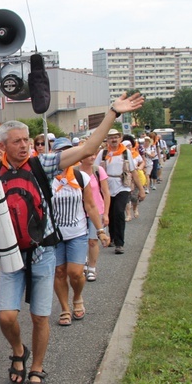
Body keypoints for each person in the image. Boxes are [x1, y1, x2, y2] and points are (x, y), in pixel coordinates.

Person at [0, 92, 144, 384]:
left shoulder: (42, 164)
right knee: (7, 316)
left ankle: (37, 366)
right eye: (17, 141)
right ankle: (18, 350)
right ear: (3, 146)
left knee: (39, 315)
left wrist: (112, 112)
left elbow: (87, 147)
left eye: (26, 140)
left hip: (44, 252)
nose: (24, 145)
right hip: (11, 254)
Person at [48, 138, 110, 326]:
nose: (66, 156)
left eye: (69, 151)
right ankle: (65, 308)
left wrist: (100, 230)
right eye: (61, 152)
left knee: (75, 272)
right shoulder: (47, 178)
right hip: (54, 234)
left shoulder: (81, 177)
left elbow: (90, 206)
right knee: (59, 272)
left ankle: (77, 297)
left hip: (77, 231)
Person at [94, 128, 145, 254]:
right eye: (111, 137)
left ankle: (120, 243)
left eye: (116, 137)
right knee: (110, 213)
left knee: (118, 212)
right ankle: (112, 237)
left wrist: (141, 190)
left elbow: (133, 172)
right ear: (107, 140)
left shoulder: (126, 152)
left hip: (123, 186)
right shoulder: (103, 153)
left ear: (120, 138)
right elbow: (94, 170)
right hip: (107, 187)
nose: (114, 139)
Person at [80, 151, 110, 282]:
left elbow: (106, 192)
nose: (92, 157)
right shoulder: (75, 171)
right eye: (89, 154)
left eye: (94, 155)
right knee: (80, 241)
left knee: (93, 240)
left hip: (97, 210)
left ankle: (92, 268)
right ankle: (82, 263)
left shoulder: (98, 170)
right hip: (79, 211)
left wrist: (106, 213)